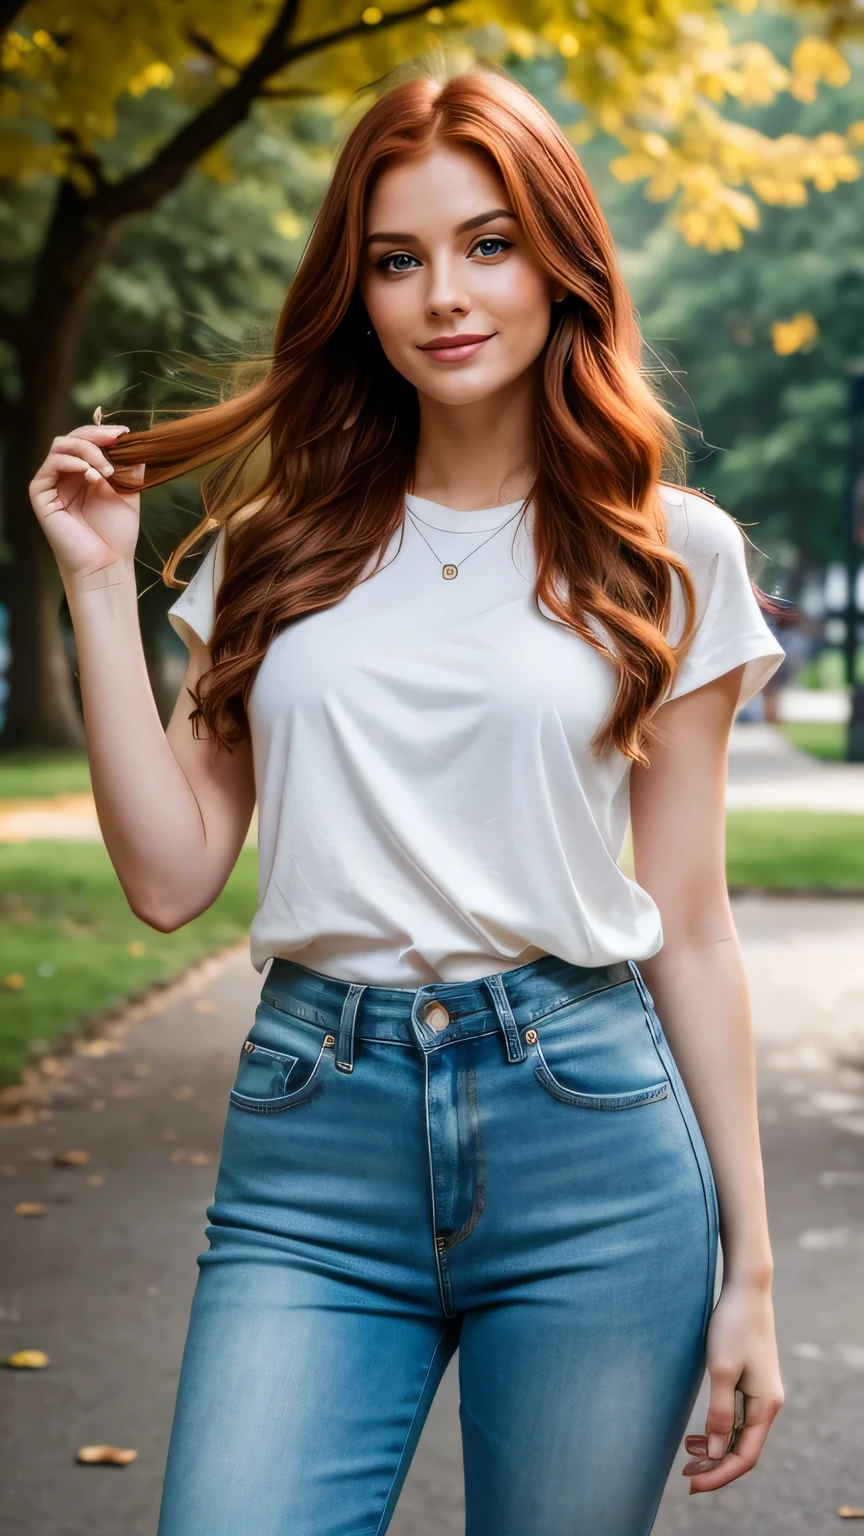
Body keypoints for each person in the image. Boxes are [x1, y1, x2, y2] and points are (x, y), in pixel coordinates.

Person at [29, 67, 785, 1536]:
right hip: (313, 1143)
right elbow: (172, 876)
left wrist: (751, 1269)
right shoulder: (275, 550)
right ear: (357, 289)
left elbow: (690, 923)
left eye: (488, 244)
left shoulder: (669, 554)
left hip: (593, 1141)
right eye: (398, 257)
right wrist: (95, 583)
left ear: (562, 262)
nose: (445, 293)